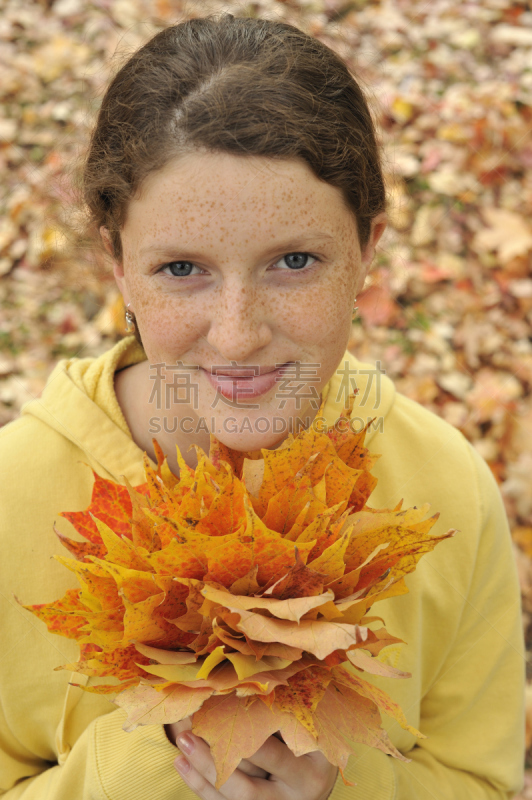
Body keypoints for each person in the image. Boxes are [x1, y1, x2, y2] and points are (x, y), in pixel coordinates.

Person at [0, 13, 525, 800]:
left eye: (294, 261)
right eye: (182, 268)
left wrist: (349, 783)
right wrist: (157, 755)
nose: (238, 336)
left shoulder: (443, 489)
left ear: (368, 248)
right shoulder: (13, 498)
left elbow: (479, 780)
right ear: (115, 262)